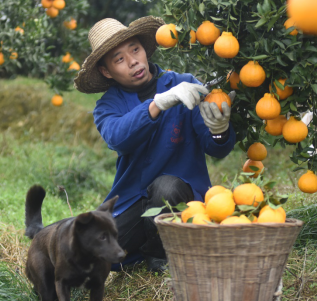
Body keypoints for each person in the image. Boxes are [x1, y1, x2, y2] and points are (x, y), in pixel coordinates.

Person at [73, 16, 236, 272]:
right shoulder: (108, 105)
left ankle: (160, 257)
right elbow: (118, 138)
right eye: (119, 59)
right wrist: (158, 104)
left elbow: (216, 148)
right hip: (133, 201)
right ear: (106, 71)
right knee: (87, 253)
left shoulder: (184, 84)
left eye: (135, 50)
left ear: (144, 50)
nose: (132, 61)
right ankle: (143, 247)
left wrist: (219, 131)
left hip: (182, 199)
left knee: (166, 187)